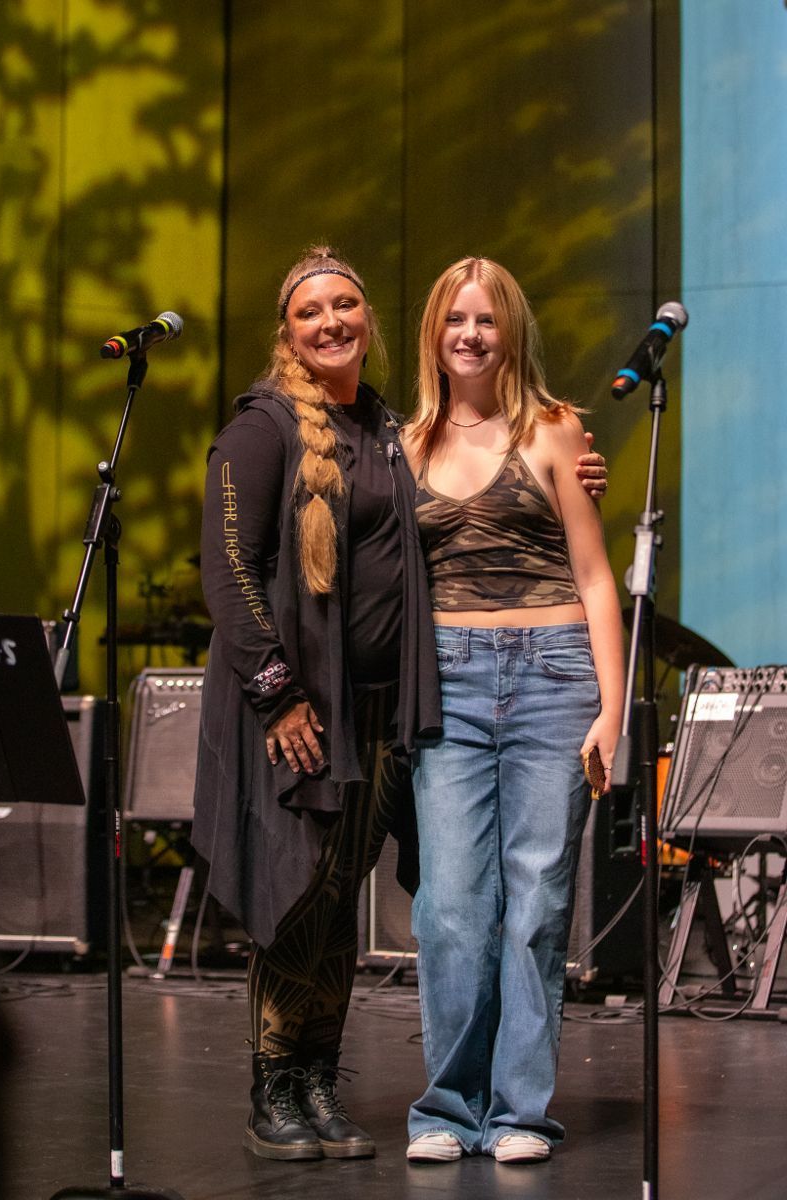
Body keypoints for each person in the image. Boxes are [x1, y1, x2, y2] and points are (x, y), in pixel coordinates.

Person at [191, 246, 608, 1163]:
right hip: (299, 709)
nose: (332, 321)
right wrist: (275, 696)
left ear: (372, 323)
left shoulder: (389, 427)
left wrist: (575, 475)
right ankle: (276, 1089)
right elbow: (226, 569)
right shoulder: (265, 429)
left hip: (385, 711)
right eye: (311, 311)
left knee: (339, 900)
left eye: (347, 305)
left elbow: (506, 500)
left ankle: (316, 1085)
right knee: (301, 894)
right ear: (287, 330)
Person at [402, 256, 624, 1166]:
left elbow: (597, 575)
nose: (471, 334)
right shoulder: (404, 441)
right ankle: (448, 1110)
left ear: (513, 331)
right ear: (434, 333)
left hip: (554, 670)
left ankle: (519, 1111)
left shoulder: (556, 430)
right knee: (451, 906)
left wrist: (613, 709)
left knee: (535, 904)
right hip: (447, 681)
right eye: (456, 319)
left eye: (487, 320)